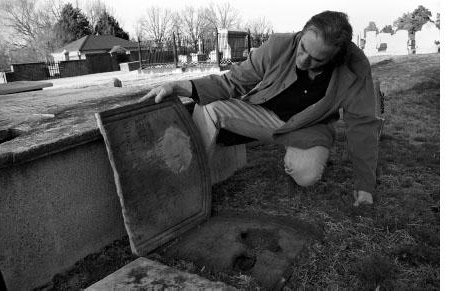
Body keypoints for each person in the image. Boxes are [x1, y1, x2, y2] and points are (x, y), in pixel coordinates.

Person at [140, 11, 383, 206]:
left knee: (306, 176)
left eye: (316, 60)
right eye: (302, 49)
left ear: (335, 59)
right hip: (263, 116)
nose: (303, 60)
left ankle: (297, 158)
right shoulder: (279, 45)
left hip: (308, 128)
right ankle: (183, 187)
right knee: (211, 108)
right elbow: (232, 82)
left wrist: (365, 187)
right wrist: (180, 86)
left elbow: (362, 126)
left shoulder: (355, 68)